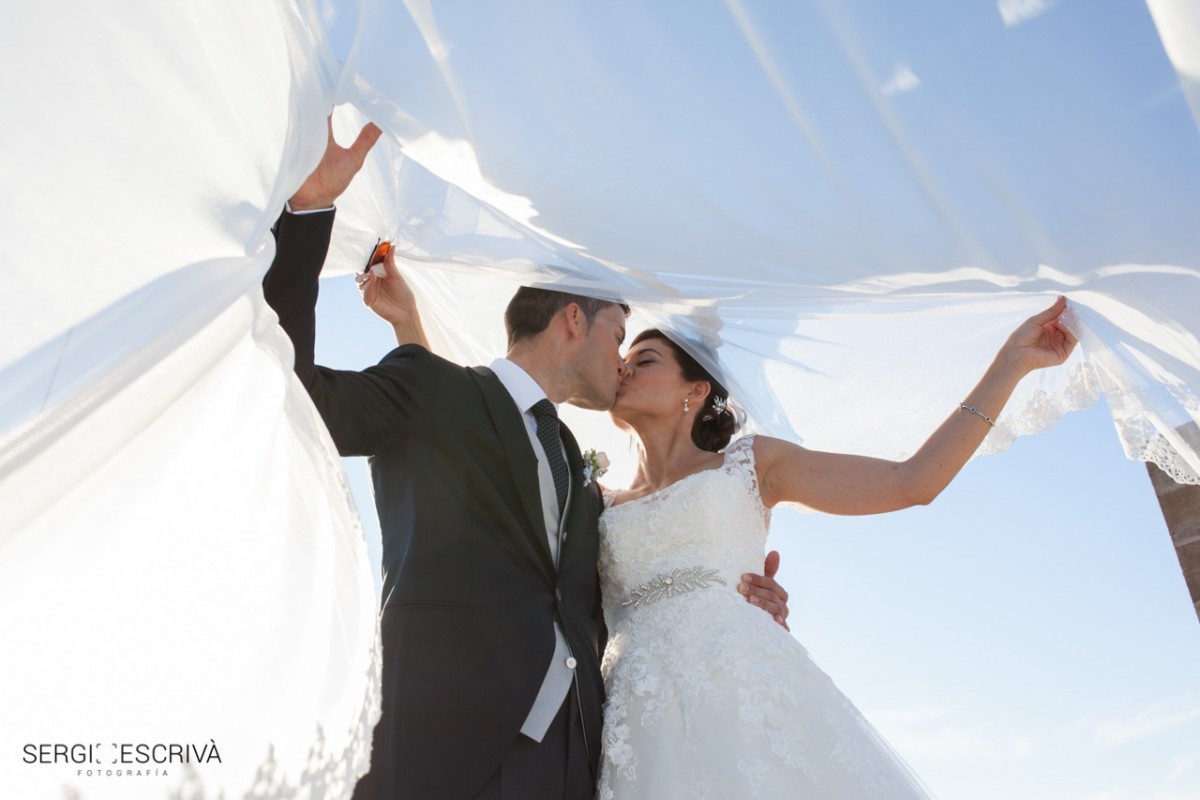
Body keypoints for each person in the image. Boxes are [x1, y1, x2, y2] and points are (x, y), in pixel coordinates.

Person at [365, 214, 1077, 796]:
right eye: (624, 353)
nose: (621, 366)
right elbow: (478, 450)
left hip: (745, 695)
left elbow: (911, 481)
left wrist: (1012, 363)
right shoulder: (593, 499)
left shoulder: (754, 466)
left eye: (643, 360)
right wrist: (410, 329)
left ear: (694, 389)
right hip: (632, 726)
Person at [263, 119, 791, 800]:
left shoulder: (577, 466)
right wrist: (309, 213)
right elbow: (293, 391)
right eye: (618, 334)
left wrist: (736, 601)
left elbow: (625, 588)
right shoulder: (433, 391)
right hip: (438, 758)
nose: (621, 360)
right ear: (573, 319)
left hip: (571, 768)